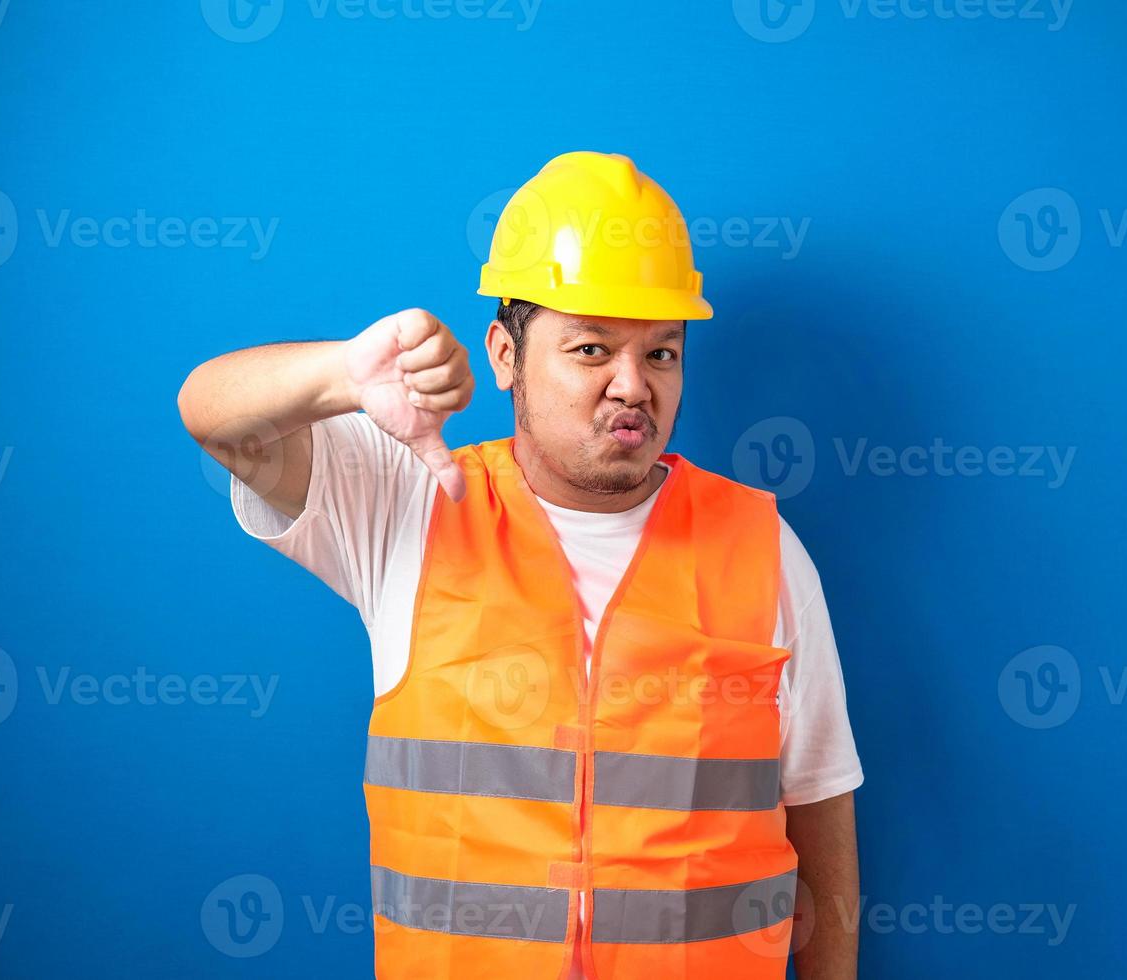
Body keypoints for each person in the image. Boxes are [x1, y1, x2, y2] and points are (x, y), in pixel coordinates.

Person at [178, 151, 863, 979]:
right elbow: (215, 416)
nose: (631, 387)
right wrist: (343, 376)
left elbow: (821, 817)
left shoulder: (765, 550)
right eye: (589, 349)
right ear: (504, 353)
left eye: (661, 354)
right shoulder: (410, 506)